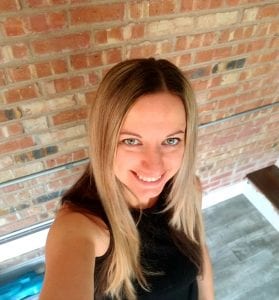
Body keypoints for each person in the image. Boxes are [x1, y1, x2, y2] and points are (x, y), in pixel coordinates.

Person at [39, 58, 214, 300]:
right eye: (131, 141)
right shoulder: (82, 227)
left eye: (171, 140)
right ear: (104, 141)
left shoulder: (188, 190)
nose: (154, 166)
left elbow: (199, 253)